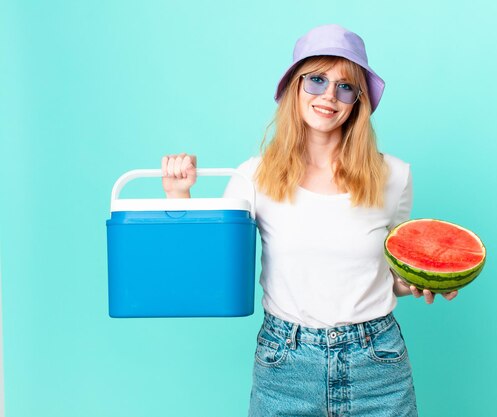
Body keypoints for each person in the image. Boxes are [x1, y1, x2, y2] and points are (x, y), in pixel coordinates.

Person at [161, 24, 458, 417]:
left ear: (358, 101)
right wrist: (178, 195)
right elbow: (207, 270)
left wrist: (419, 281)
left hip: (378, 363)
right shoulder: (253, 176)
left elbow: (386, 273)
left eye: (345, 86)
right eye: (316, 80)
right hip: (285, 364)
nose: (329, 96)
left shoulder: (395, 176)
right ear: (294, 89)